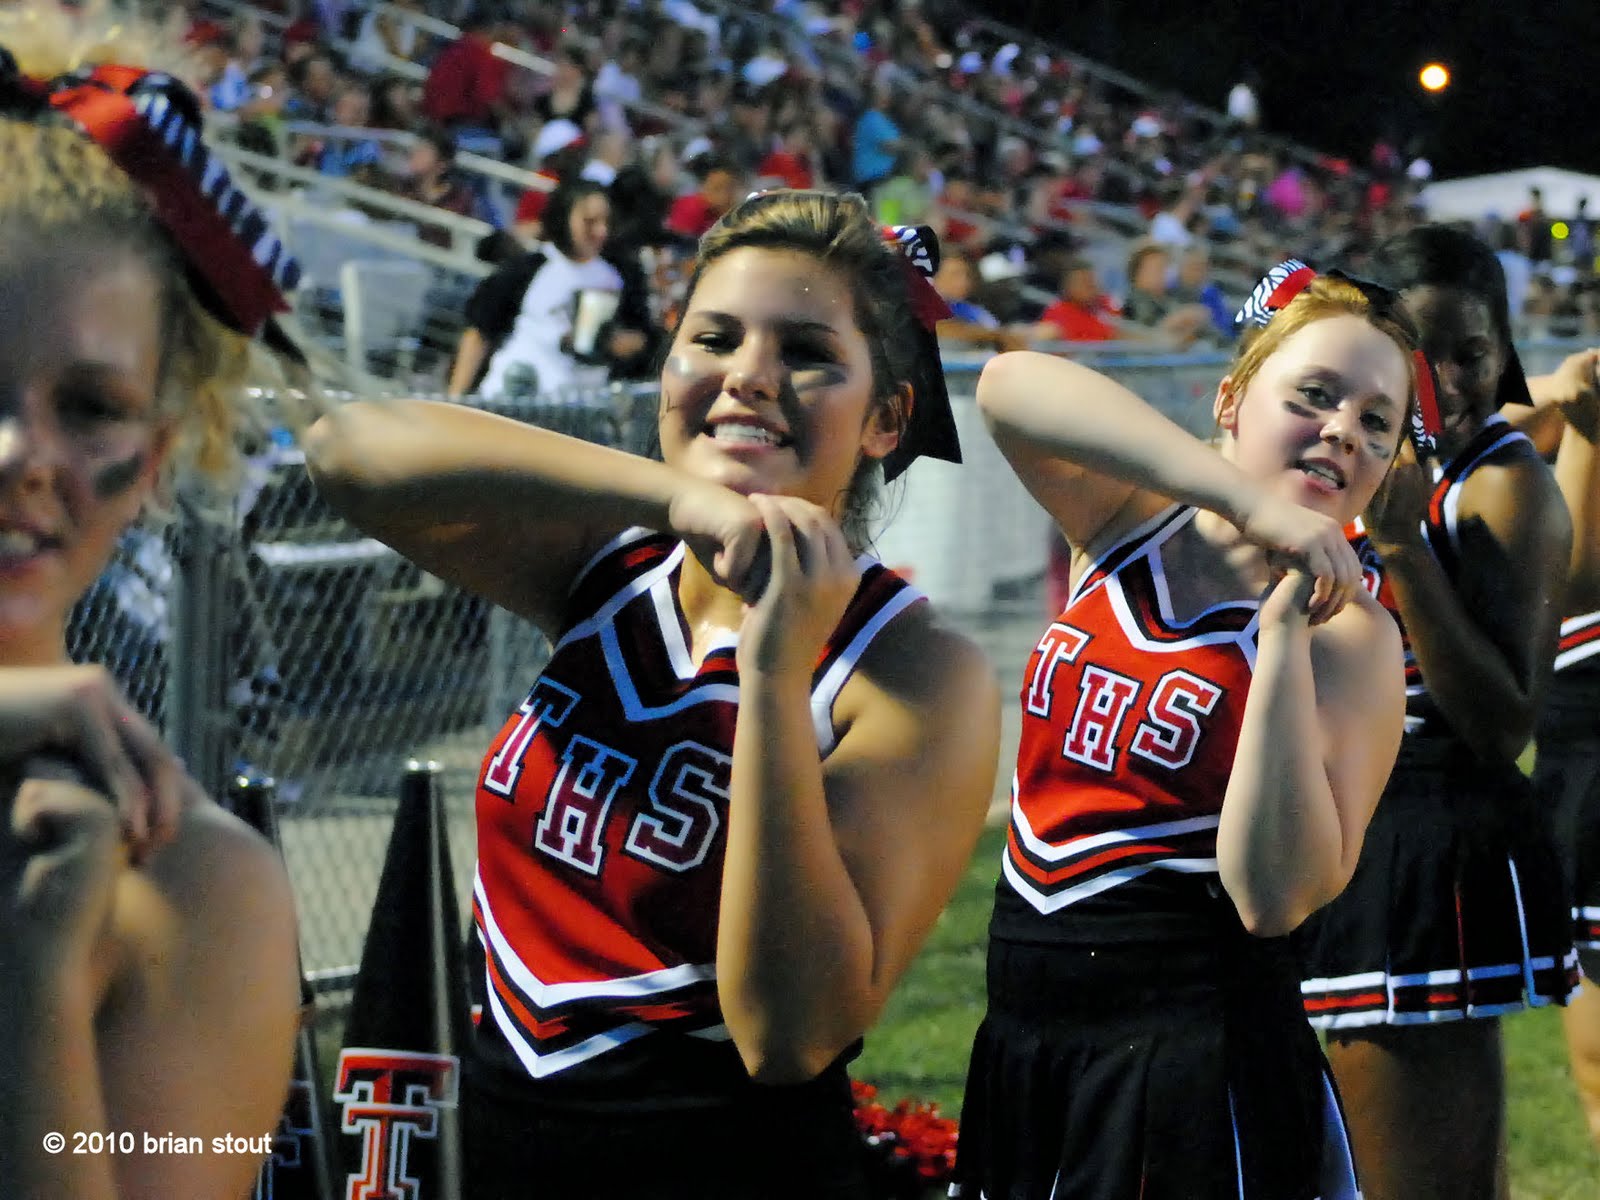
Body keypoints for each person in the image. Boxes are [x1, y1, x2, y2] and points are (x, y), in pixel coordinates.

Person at [305, 190, 1001, 1198]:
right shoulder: (611, 563)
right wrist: (671, 495)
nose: (748, 377)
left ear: (888, 417)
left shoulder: (911, 669)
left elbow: (792, 1034)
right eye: (711, 337)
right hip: (485, 1147)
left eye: (806, 352)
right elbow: (345, 449)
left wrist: (769, 674)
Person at [953, 263, 1422, 1199]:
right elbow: (1009, 386)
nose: (1343, 430)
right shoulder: (1128, 517)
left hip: (1192, 1061)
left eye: (1377, 422)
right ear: (1233, 400)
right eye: (1316, 395)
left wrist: (1284, 636)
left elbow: (1275, 897)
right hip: (1025, 1032)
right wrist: (1245, 504)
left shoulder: (1357, 640)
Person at [0, 9, 303, 1196]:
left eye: (90, 406)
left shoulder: (193, 889)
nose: (21, 452)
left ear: (161, 454)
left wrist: (35, 990)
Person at [1295, 225, 1578, 1199]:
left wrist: (1405, 553)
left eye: (1471, 352)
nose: (1448, 380)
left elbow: (1503, 727)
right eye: (1422, 355)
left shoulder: (1502, 484)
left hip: (1421, 848)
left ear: (1505, 352)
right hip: (1346, 822)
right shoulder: (1366, 456)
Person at [1502, 345, 1600, 1145]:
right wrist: (1561, 394)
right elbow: (1439, 433)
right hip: (1586, 774)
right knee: (1599, 1066)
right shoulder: (1562, 427)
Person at [448, 179, 640, 402]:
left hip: (577, 404)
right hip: (514, 392)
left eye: (606, 222)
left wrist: (622, 343)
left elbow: (640, 334)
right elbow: (479, 332)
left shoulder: (618, 277)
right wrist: (456, 396)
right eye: (589, 222)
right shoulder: (529, 267)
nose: (600, 231)